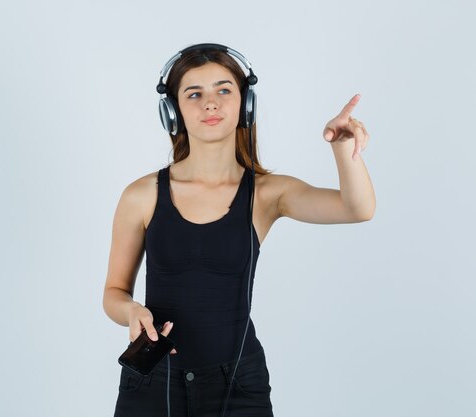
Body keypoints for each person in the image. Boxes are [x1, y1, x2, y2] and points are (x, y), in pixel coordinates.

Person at [103, 43, 375, 417]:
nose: (210, 104)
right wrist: (131, 310)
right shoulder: (141, 195)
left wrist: (343, 147)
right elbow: (113, 293)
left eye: (224, 90)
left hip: (238, 382)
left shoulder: (268, 194)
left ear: (246, 104)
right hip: (152, 380)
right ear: (173, 111)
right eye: (194, 94)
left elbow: (357, 209)